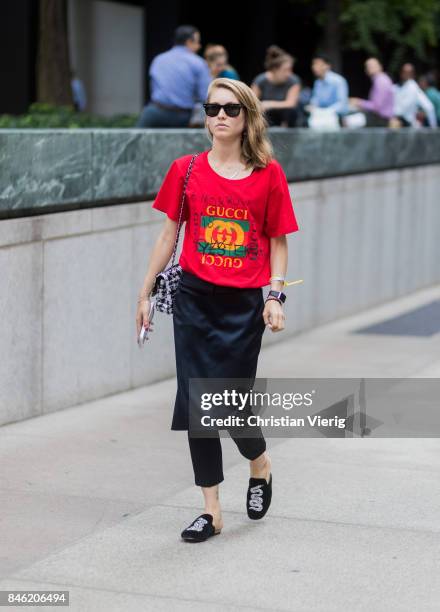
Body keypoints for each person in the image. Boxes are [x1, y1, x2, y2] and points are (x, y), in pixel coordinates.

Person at [135, 77, 300, 542]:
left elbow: (277, 241)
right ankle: (211, 511)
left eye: (230, 109)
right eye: (212, 109)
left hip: (242, 307)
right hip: (192, 300)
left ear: (247, 116)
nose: (220, 116)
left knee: (228, 404)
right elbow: (169, 235)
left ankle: (259, 462)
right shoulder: (186, 168)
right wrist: (144, 293)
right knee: (196, 402)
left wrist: (274, 296)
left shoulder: (268, 173)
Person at [136, 25, 211, 128]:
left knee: (134, 142)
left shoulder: (159, 59)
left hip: (155, 113)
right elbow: (205, 96)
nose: (199, 46)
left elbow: (153, 89)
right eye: (197, 42)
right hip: (183, 117)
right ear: (189, 42)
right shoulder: (199, 63)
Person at [251, 45, 301, 127]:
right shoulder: (260, 80)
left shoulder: (293, 80)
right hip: (267, 118)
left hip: (287, 119)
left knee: (292, 111)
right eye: (285, 70)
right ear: (274, 70)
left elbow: (291, 103)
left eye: (290, 69)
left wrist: (269, 104)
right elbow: (252, 102)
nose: (289, 73)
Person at [349, 57, 394, 126]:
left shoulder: (381, 81)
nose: (369, 68)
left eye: (372, 66)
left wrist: (358, 102)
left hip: (380, 119)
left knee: (347, 121)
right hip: (379, 118)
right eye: (368, 66)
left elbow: (376, 106)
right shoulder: (380, 79)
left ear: (380, 67)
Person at [389, 63, 437, 128]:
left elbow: (429, 107)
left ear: (412, 74)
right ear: (400, 72)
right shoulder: (394, 88)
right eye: (405, 72)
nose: (406, 74)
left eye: (409, 72)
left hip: (406, 125)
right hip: (394, 122)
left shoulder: (413, 88)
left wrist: (433, 128)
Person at [308, 53, 349, 120]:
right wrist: (312, 107)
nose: (314, 67)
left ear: (327, 66)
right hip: (320, 116)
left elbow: (342, 104)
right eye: (313, 64)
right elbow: (315, 100)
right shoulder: (318, 82)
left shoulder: (338, 81)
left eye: (317, 64)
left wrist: (327, 112)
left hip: (337, 117)